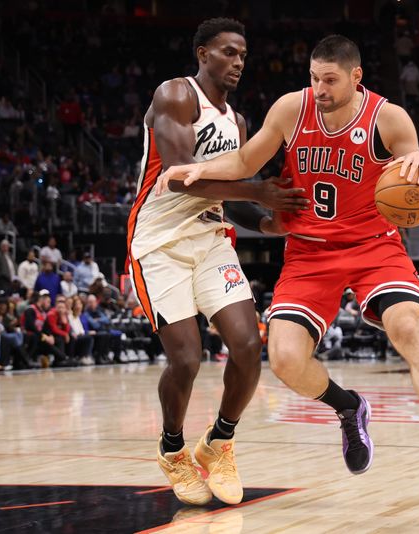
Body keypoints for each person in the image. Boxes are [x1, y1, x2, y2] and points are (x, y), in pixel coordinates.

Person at [157, 34, 419, 480]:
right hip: (308, 253)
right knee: (285, 359)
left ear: (356, 76)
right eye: (314, 77)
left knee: (405, 325)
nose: (320, 88)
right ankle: (349, 407)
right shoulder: (292, 108)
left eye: (330, 79)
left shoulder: (389, 117)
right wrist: (199, 168)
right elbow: (246, 161)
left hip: (374, 246)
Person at [125, 18, 309, 506]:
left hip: (210, 237)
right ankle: (172, 450)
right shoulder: (175, 95)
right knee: (186, 358)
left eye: (243, 56)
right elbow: (183, 177)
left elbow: (229, 199)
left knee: (248, 346)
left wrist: (268, 221)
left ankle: (219, 443)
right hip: (159, 243)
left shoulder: (239, 122)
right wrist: (259, 189)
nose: (238, 63)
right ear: (203, 53)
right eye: (229, 52)